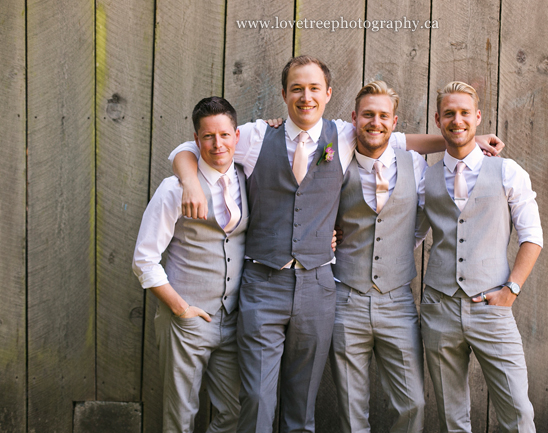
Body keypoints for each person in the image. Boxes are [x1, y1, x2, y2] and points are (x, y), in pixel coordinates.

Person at [168, 55, 503, 433]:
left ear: (328, 94)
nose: (305, 97)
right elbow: (193, 145)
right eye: (297, 88)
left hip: (317, 285)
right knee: (258, 399)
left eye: (314, 89)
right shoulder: (259, 136)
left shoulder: (343, 134)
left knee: (302, 401)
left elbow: (404, 140)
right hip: (262, 283)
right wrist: (191, 181)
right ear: (283, 93)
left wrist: (469, 138)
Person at [420, 81, 543, 433]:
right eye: (448, 114)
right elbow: (407, 234)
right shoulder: (425, 177)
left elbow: (532, 237)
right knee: (452, 417)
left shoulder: (508, 171)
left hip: (492, 307)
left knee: (518, 413)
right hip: (438, 309)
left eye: (463, 113)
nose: (456, 120)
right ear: (438, 120)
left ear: (477, 118)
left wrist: (511, 290)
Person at [132, 97, 247, 433]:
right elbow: (144, 259)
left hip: (233, 320)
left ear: (236, 137)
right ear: (196, 141)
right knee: (180, 417)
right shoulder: (174, 189)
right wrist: (180, 308)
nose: (217, 144)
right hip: (186, 320)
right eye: (208, 137)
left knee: (235, 412)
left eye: (224, 135)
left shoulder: (247, 179)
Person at [329, 80, 428, 433]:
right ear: (354, 118)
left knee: (413, 402)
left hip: (397, 300)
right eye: (368, 114)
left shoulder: (415, 164)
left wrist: (396, 251)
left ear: (395, 121)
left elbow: (423, 220)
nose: (375, 122)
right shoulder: (336, 161)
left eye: (383, 116)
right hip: (345, 296)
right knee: (352, 411)